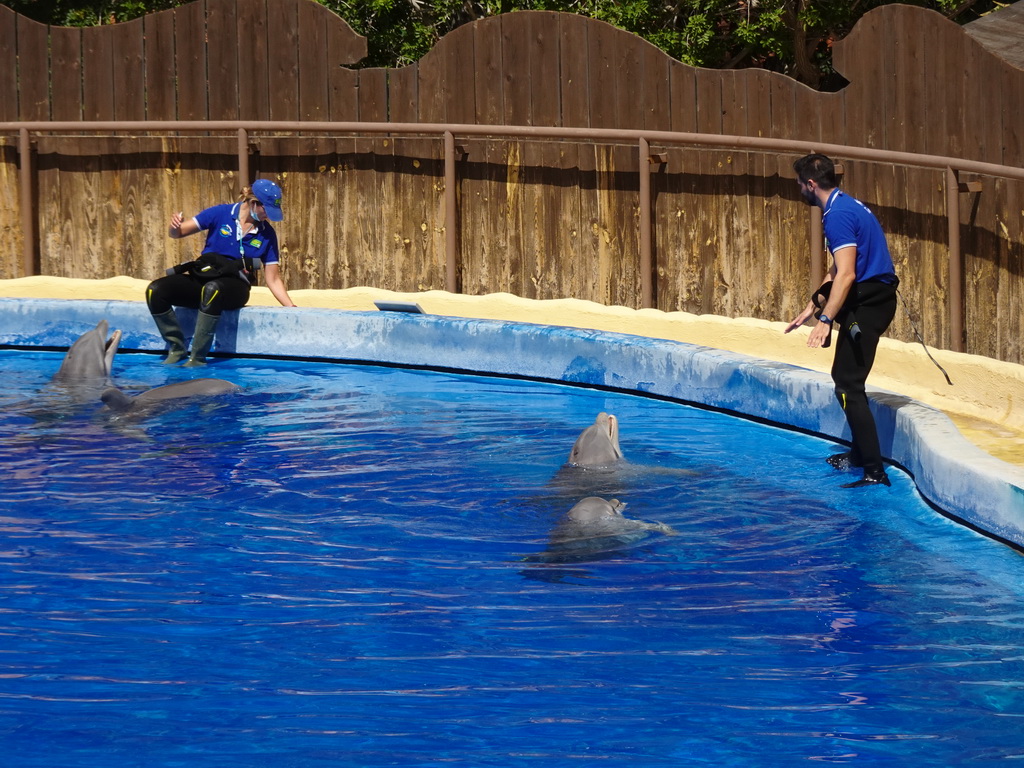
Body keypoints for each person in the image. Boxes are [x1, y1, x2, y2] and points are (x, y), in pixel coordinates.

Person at [784, 154, 899, 488]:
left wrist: (826, 319)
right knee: (844, 378)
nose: (799, 189)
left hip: (868, 306)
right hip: (866, 299)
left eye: (798, 184)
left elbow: (847, 275)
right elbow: (837, 270)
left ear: (810, 184)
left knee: (849, 383)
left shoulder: (836, 216)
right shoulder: (845, 205)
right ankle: (859, 455)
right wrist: (813, 303)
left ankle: (874, 472)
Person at [146, 179, 297, 366]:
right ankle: (177, 348)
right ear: (253, 203)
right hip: (206, 276)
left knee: (213, 289)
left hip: (236, 287)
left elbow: (273, 278)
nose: (268, 216)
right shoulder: (220, 214)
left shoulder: (267, 234)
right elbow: (178, 233)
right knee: (156, 290)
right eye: (266, 210)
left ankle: (197, 359)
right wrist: (174, 227)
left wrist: (290, 307)